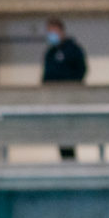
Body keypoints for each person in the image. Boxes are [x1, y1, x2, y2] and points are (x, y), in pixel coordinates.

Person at [41, 17, 87, 161]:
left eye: (53, 31)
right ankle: (66, 160)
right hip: (54, 101)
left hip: (69, 100)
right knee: (59, 135)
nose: (51, 35)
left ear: (61, 31)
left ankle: (71, 161)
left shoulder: (73, 50)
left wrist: (68, 88)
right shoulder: (50, 53)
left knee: (69, 134)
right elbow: (46, 76)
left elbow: (81, 71)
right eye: (49, 32)